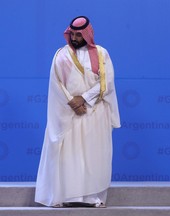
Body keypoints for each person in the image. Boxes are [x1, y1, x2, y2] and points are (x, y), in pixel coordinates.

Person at [35, 16, 121, 208]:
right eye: (71, 34)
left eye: (78, 34)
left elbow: (107, 83)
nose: (74, 38)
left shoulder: (101, 54)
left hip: (95, 112)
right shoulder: (61, 54)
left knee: (93, 155)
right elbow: (56, 83)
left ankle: (91, 197)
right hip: (69, 114)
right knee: (71, 155)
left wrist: (83, 98)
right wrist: (72, 102)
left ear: (87, 34)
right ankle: (68, 196)